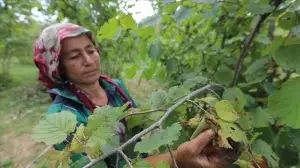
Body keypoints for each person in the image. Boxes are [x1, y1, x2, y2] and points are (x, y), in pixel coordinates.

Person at [33, 23, 237, 168]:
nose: (88, 60)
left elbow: (138, 128)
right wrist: (176, 158)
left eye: (91, 50)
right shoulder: (61, 116)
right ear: (57, 66)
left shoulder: (115, 87)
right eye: (75, 56)